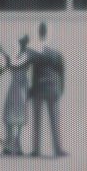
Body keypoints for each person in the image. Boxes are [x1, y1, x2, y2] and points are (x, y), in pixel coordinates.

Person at [29, 22, 66, 157]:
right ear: (48, 34)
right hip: (53, 87)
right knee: (54, 120)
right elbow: (62, 74)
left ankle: (36, 149)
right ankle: (57, 149)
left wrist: (31, 90)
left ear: (39, 33)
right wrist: (61, 89)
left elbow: (33, 74)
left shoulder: (35, 53)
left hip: (39, 87)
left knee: (36, 120)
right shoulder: (57, 54)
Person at [2, 35, 32, 155]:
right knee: (18, 116)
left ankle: (10, 145)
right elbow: (15, 66)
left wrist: (7, 59)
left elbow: (12, 66)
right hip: (21, 85)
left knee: (11, 115)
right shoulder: (26, 56)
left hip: (16, 85)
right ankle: (15, 145)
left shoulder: (20, 56)